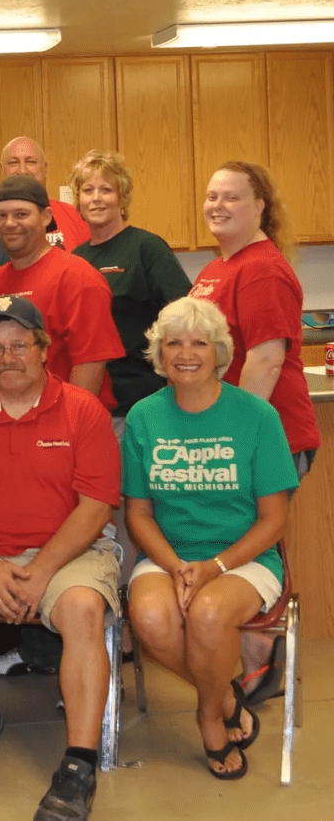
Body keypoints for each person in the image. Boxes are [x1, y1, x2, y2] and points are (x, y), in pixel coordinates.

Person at [0, 296, 120, 821]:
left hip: (69, 551)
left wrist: (42, 572)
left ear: (42, 349)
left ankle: (79, 763)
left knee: (80, 609)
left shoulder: (83, 410)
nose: (7, 358)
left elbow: (96, 508)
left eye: (18, 345)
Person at [123, 297, 296, 779]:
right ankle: (223, 696)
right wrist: (177, 566)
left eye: (199, 342)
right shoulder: (143, 417)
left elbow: (273, 520)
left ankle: (207, 719)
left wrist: (214, 567)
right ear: (159, 354)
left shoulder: (257, 417)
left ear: (219, 351)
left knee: (208, 612)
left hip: (245, 557)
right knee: (151, 617)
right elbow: (137, 513)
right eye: (173, 342)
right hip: (169, 554)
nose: (186, 353)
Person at [189, 160, 320, 703]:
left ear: (260, 204)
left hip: (268, 437)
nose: (217, 205)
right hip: (230, 433)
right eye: (212, 196)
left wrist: (234, 441)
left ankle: (263, 662)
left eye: (232, 197)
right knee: (233, 541)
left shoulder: (262, 268)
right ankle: (244, 661)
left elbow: (264, 363)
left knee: (256, 543)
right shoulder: (222, 266)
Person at [0, 176, 124, 405]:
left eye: (21, 214)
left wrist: (63, 426)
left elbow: (91, 364)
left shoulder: (78, 277)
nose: (9, 223)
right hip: (12, 421)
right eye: (1, 216)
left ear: (46, 217)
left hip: (66, 424)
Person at [70, 150, 191, 420]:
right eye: (88, 190)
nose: (97, 198)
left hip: (142, 401)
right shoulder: (75, 259)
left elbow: (186, 315)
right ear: (78, 200)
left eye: (106, 190)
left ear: (122, 198)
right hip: (90, 401)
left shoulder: (146, 248)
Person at [1, 136, 90, 253]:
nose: (22, 170)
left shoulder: (76, 216)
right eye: (13, 163)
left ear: (45, 168)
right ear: (2, 169)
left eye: (31, 162)